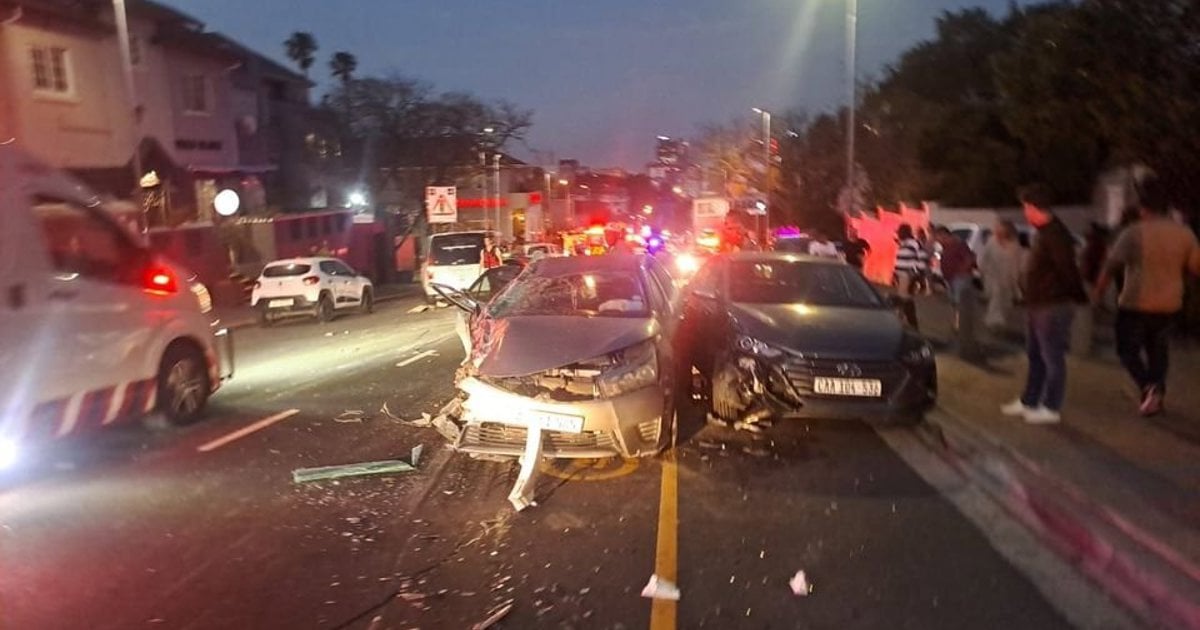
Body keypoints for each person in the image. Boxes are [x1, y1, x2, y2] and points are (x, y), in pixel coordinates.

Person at [1091, 176, 1200, 416]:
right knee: (1158, 351)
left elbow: (1111, 266)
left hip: (1136, 303)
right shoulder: (1184, 234)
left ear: (1143, 209)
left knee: (1126, 350)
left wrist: (1098, 293)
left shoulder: (1133, 233)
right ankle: (1155, 395)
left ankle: (1148, 387)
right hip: (1169, 304)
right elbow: (1196, 267)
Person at [1001, 184, 1087, 424]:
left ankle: (1051, 407)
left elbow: (1067, 269)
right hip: (1038, 304)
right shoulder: (1043, 232)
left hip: (1052, 305)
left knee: (1052, 357)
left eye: (1026, 207)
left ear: (1034, 207)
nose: (1025, 212)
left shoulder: (1056, 235)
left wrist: (1078, 297)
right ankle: (1029, 399)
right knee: (1035, 355)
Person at [979, 220, 1024, 331]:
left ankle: (1000, 323)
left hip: (1008, 277)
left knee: (1005, 301)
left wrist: (1016, 279)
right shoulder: (992, 242)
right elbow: (984, 258)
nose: (997, 231)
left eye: (1000, 229)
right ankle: (993, 323)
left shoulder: (1014, 244)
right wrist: (983, 271)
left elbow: (1017, 262)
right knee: (996, 298)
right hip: (992, 276)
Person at [892, 224, 926, 328]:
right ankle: (902, 321)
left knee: (904, 298)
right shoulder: (905, 244)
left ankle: (912, 322)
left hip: (907, 274)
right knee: (904, 298)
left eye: (899, 232)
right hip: (901, 274)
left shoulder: (913, 243)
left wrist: (917, 273)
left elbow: (921, 258)